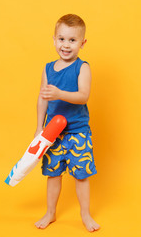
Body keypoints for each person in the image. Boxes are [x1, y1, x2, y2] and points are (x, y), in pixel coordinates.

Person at [34, 14, 100, 232]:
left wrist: (60, 93)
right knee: (52, 173)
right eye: (62, 39)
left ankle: (85, 215)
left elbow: (83, 96)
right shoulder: (47, 68)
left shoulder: (82, 68)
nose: (66, 45)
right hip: (53, 133)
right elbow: (43, 98)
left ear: (82, 43)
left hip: (77, 132)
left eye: (72, 40)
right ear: (54, 39)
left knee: (81, 175)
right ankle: (51, 212)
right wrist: (39, 128)